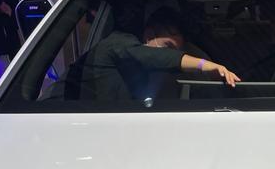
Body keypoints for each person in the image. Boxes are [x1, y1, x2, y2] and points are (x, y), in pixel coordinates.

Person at [80, 8, 239, 101]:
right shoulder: (118, 44)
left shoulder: (160, 76)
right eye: (168, 47)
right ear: (149, 35)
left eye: (176, 51)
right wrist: (205, 65)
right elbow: (159, 58)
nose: (172, 56)